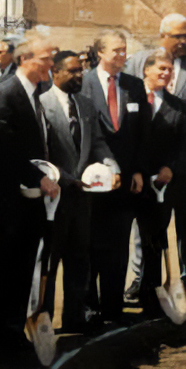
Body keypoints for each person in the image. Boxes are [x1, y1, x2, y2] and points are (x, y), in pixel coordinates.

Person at [126, 13, 186, 303]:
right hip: (152, 162)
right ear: (162, 34)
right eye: (178, 36)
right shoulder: (139, 61)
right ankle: (141, 280)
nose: (183, 41)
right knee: (148, 227)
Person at [0, 38, 61, 363]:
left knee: (22, 274)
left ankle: (13, 336)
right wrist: (37, 178)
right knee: (4, 275)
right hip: (10, 204)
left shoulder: (34, 95)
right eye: (46, 59)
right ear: (25, 59)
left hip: (29, 203)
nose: (50, 66)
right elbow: (3, 150)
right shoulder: (5, 94)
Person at [39, 50, 116, 331]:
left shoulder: (84, 104)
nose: (79, 75)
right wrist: (68, 178)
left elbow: (98, 142)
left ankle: (74, 317)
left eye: (81, 70)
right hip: (53, 200)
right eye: (72, 71)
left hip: (83, 201)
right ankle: (44, 320)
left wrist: (112, 168)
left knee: (79, 260)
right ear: (55, 72)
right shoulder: (41, 105)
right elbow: (41, 153)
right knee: (49, 262)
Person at [81, 30, 148, 321]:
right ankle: (88, 305)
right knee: (90, 245)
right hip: (92, 182)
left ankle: (112, 305)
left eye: (124, 50)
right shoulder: (82, 83)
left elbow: (142, 133)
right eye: (116, 50)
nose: (122, 55)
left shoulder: (134, 86)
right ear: (100, 53)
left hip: (125, 183)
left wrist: (137, 171)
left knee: (119, 245)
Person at [136, 49, 186, 317]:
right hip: (133, 180)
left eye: (170, 70)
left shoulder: (178, 107)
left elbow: (182, 145)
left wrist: (170, 168)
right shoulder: (130, 99)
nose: (166, 74)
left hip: (161, 183)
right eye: (161, 69)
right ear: (147, 70)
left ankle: (151, 294)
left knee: (155, 239)